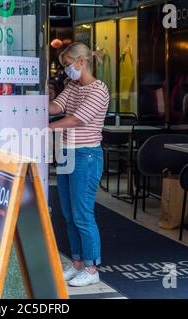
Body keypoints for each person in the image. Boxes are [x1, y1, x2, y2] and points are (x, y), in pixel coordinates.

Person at [49, 42, 110, 287]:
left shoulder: (99, 90)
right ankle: (77, 264)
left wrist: (47, 127)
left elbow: (76, 119)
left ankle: (92, 268)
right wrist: (41, 102)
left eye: (67, 65)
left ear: (81, 62)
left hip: (86, 156)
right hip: (66, 154)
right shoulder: (73, 87)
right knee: (68, 213)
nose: (66, 70)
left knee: (83, 214)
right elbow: (57, 107)